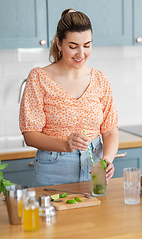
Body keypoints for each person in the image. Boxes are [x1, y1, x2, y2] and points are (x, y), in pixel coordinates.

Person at [19, 8, 119, 187]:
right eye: (73, 47)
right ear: (59, 43)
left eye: (87, 45)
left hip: (94, 166)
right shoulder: (39, 78)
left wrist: (108, 160)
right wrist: (65, 145)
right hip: (53, 169)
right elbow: (30, 135)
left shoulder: (100, 79)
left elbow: (110, 130)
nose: (81, 54)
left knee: (95, 215)